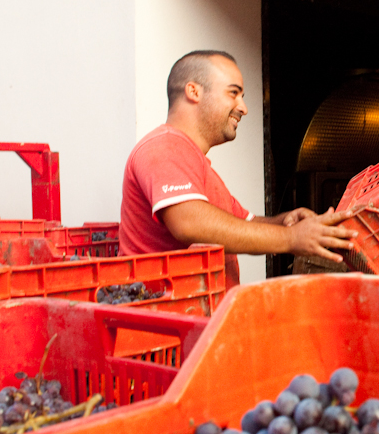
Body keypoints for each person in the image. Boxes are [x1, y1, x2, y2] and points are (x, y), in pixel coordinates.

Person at [120, 50, 357, 287]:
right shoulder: (163, 146)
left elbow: (242, 224)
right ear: (194, 91)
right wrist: (291, 238)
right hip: (167, 320)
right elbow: (189, 222)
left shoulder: (196, 163)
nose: (243, 108)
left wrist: (284, 222)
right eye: (233, 93)